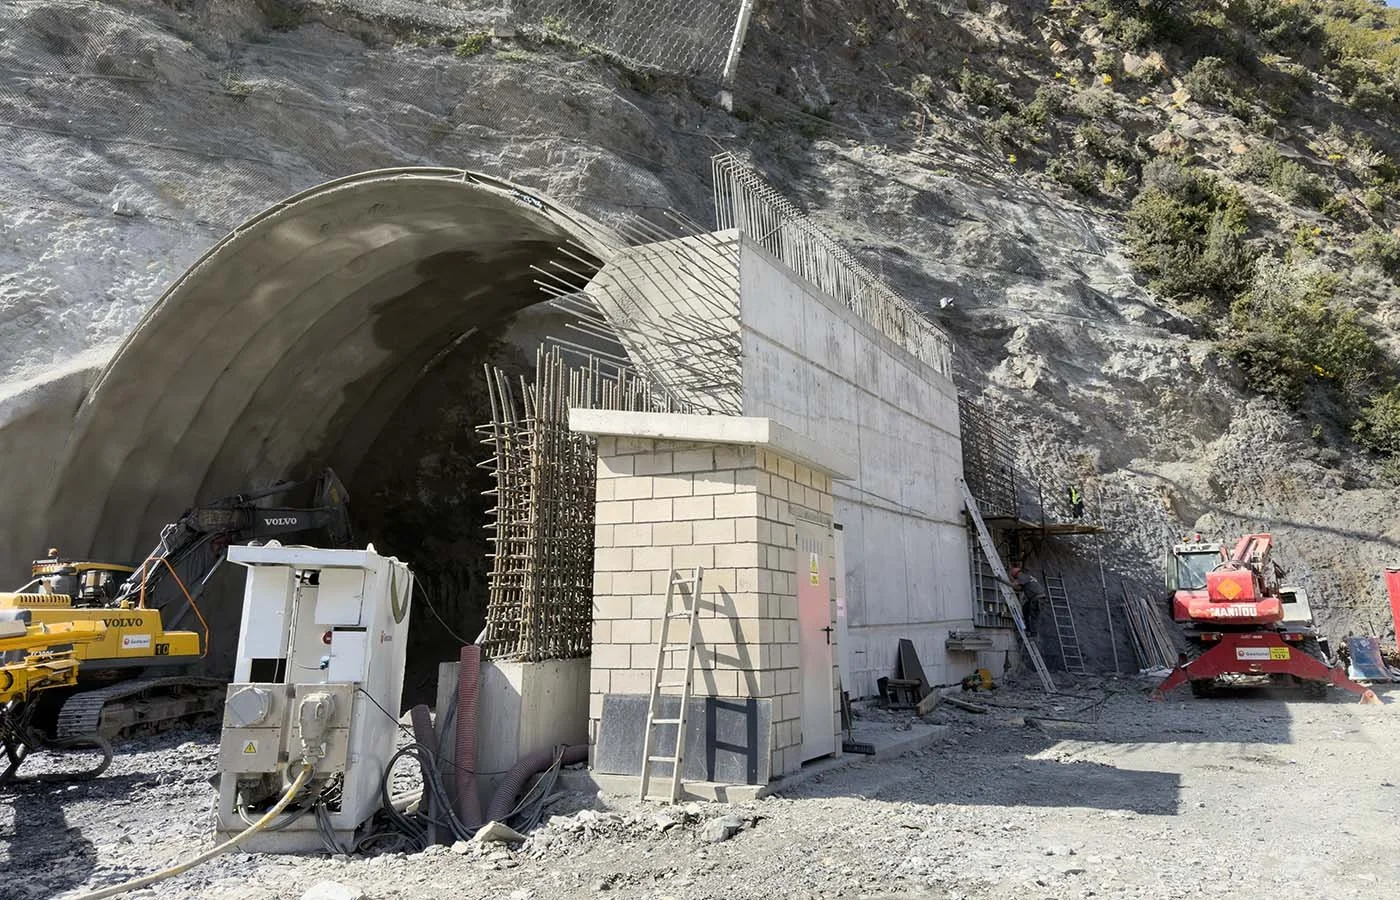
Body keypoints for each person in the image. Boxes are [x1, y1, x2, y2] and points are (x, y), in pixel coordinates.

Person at [1008, 565, 1047, 638]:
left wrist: (1003, 581)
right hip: (1038, 598)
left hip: (1036, 599)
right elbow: (1020, 588)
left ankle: (1033, 635)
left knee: (1033, 616)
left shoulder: (1021, 576)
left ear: (1016, 575)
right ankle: (1028, 629)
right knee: (1025, 608)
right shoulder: (1027, 577)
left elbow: (1014, 584)